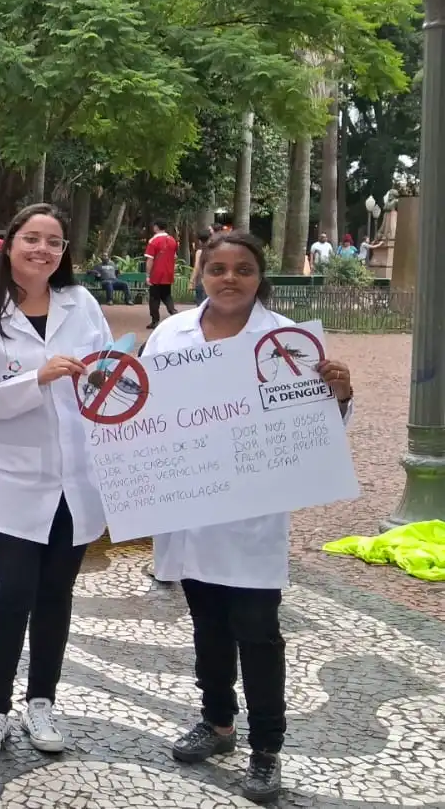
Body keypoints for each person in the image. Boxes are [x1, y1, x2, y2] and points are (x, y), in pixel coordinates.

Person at [147, 231, 353, 804]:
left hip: (252, 519)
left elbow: (315, 433)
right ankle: (217, 725)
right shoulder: (170, 335)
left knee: (259, 636)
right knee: (208, 629)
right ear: (201, 275)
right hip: (191, 512)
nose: (229, 278)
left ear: (260, 276)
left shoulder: (285, 342)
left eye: (242, 268)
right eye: (217, 268)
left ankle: (266, 748)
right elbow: (142, 413)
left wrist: (336, 396)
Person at [0, 203, 111, 758]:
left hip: (76, 481)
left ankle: (41, 702)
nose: (43, 250)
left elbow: (109, 377)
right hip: (12, 485)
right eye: (32, 239)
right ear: (9, 243)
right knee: (9, 598)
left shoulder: (82, 304)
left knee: (54, 599)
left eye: (55, 242)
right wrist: (35, 380)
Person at [143, 219, 178, 328]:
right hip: (168, 272)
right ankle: (172, 311)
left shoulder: (154, 241)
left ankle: (155, 320)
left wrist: (148, 275)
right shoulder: (172, 240)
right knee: (166, 294)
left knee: (154, 297)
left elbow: (150, 260)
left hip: (156, 273)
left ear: (156, 227)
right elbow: (175, 257)